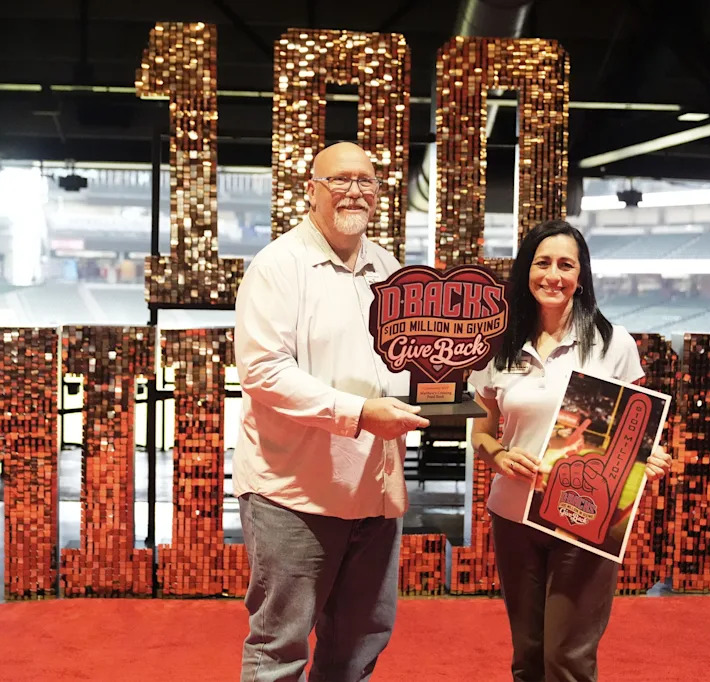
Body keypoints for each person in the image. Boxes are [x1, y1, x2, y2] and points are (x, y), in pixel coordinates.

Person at [233, 141, 430, 682]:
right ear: (311, 191)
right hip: (293, 493)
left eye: (365, 181)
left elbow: (408, 361)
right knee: (279, 646)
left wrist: (452, 381)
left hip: (373, 492)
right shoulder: (278, 265)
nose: (354, 191)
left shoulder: (387, 268)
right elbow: (264, 372)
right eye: (339, 180)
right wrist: (362, 414)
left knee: (358, 645)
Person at [468, 219, 672, 682]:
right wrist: (499, 456)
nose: (553, 275)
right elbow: (481, 434)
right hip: (513, 516)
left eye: (566, 264)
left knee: (568, 658)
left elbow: (636, 423)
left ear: (581, 277)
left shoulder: (611, 342)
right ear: (525, 271)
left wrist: (647, 454)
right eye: (542, 263)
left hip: (584, 518)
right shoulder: (498, 345)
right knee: (529, 656)